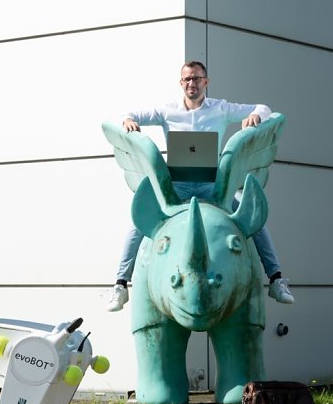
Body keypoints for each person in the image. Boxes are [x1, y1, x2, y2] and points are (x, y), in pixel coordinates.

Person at [107, 60, 295, 311]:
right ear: (180, 83)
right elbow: (126, 114)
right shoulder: (167, 110)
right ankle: (120, 284)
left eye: (196, 78)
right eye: (186, 79)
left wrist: (254, 116)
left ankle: (276, 279)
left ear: (205, 81)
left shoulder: (221, 108)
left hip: (212, 185)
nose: (191, 83)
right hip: (177, 186)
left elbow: (264, 108)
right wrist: (128, 120)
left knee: (253, 215)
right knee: (137, 221)